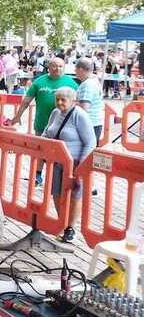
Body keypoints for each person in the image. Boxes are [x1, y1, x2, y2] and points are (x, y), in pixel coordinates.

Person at [41, 87, 96, 243]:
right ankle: (62, 223)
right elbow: (47, 132)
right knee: (56, 192)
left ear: (73, 101)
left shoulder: (80, 115)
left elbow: (90, 142)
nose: (59, 102)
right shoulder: (55, 113)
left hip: (75, 163)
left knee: (75, 195)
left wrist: (82, 165)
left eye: (63, 99)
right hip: (55, 162)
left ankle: (70, 227)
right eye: (57, 99)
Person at [11, 57, 78, 135]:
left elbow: (78, 103)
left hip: (63, 127)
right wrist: (18, 116)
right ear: (49, 67)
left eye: (60, 66)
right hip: (41, 125)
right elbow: (26, 101)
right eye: (54, 66)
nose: (57, 69)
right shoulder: (39, 81)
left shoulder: (72, 83)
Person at [75, 58, 104, 142]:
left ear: (80, 69)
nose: (75, 72)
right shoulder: (95, 81)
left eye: (75, 69)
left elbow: (84, 107)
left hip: (88, 124)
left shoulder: (87, 84)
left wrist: (70, 102)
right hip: (95, 122)